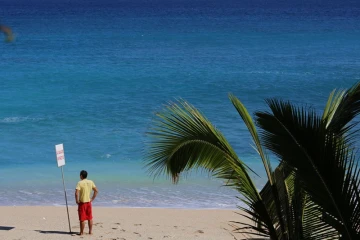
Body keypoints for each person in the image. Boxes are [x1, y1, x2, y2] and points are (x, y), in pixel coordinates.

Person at [75, 170, 98, 235]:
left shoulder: (80, 183)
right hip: (88, 202)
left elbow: (76, 193)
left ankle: (81, 232)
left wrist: (76, 201)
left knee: (82, 219)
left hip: (82, 203)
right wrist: (92, 199)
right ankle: (90, 232)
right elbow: (96, 191)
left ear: (81, 176)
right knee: (89, 218)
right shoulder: (91, 182)